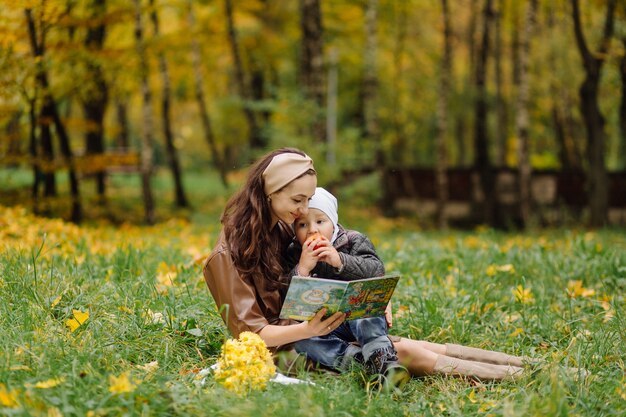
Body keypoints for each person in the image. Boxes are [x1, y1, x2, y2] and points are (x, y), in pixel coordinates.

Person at [203, 148, 532, 385]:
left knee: (405, 346)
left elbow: (325, 274)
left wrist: (369, 298)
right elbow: (253, 335)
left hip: (320, 327)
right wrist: (308, 330)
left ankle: (530, 366)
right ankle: (519, 377)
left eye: (307, 200)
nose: (303, 211)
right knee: (404, 354)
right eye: (297, 201)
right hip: (287, 350)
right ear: (268, 193)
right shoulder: (227, 255)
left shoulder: (283, 223)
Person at [285, 187, 411, 389]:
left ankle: (381, 356)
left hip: (360, 318)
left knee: (365, 310)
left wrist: (340, 260)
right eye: (302, 224)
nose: (312, 230)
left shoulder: (353, 241)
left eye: (320, 221)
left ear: (333, 222)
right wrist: (302, 269)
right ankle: (358, 362)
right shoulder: (294, 252)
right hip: (324, 327)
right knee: (302, 342)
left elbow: (376, 269)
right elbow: (288, 293)